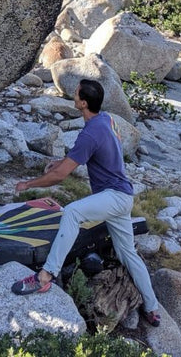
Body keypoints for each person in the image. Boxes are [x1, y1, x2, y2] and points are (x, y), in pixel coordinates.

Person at [10, 79, 161, 327]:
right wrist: (60, 162)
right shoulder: (106, 120)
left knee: (72, 212)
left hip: (113, 197)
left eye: (76, 92)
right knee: (128, 254)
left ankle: (45, 275)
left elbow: (60, 176)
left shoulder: (89, 133)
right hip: (122, 197)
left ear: (82, 103)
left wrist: (28, 184)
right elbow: (84, 155)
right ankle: (152, 308)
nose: (73, 94)